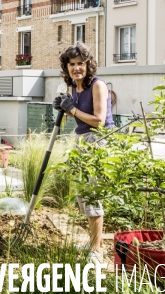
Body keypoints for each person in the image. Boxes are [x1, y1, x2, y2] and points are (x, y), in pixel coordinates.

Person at [53, 42, 114, 263]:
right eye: (72, 64)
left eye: (81, 63)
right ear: (66, 67)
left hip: (97, 141)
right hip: (81, 139)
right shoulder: (74, 87)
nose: (76, 68)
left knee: (92, 193)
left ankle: (97, 250)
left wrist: (72, 109)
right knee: (82, 194)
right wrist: (63, 107)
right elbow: (78, 115)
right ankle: (92, 243)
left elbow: (98, 121)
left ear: (88, 65)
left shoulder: (98, 85)